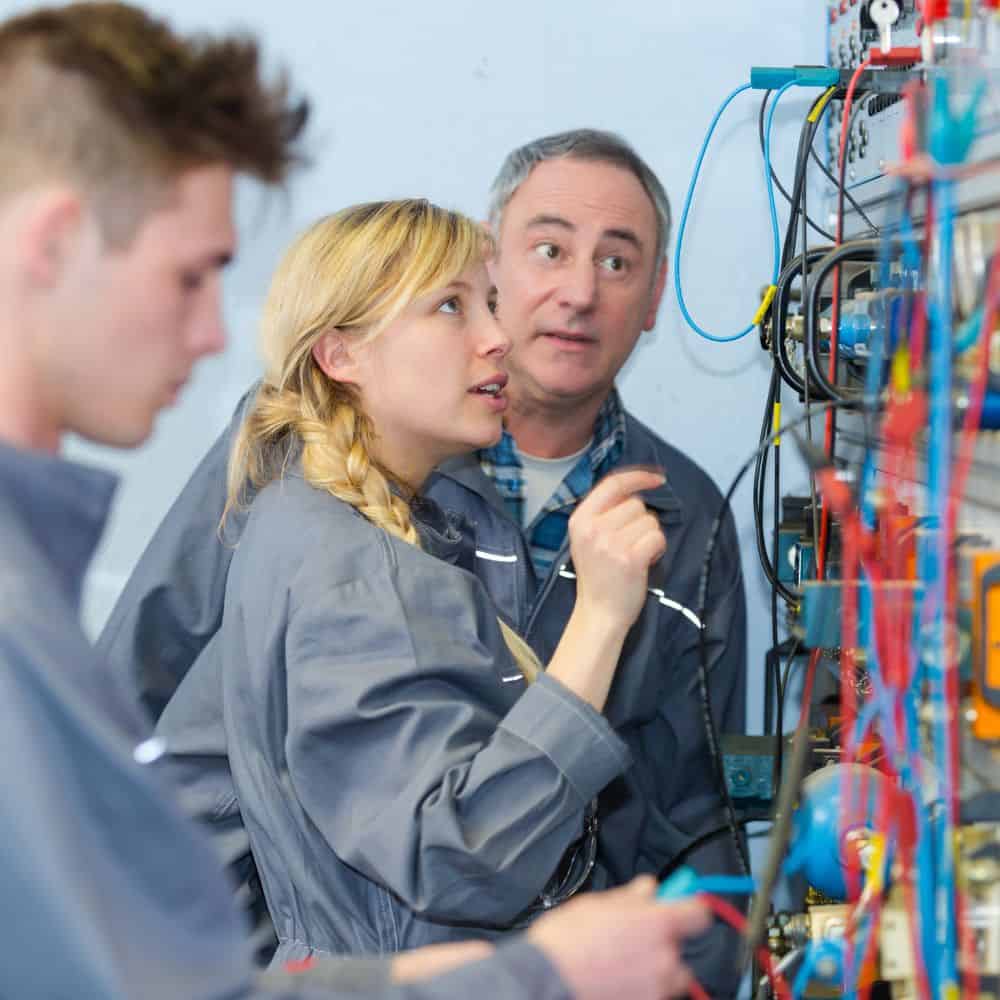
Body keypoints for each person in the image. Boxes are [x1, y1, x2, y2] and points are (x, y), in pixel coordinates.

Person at [0, 5, 709, 999]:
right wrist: (530, 972)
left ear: (650, 293)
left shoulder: (658, 507)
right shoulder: (323, 539)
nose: (213, 333)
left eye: (616, 258)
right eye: (191, 274)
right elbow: (451, 848)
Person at [157, 197, 675, 961]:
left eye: (490, 304)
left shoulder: (307, 521)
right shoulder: (356, 573)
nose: (498, 338)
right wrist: (601, 617)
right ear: (341, 356)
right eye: (450, 307)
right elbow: (465, 857)